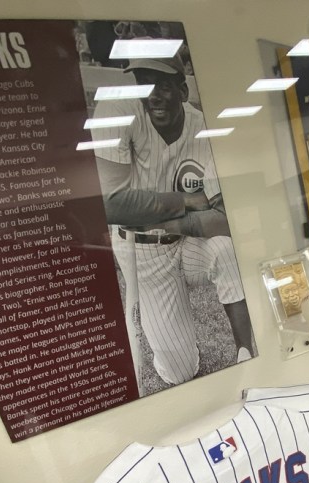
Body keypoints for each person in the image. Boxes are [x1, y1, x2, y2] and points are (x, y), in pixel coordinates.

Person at [90, 50, 254, 389]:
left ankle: (246, 352)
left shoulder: (201, 126)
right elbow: (111, 205)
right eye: (143, 83)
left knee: (226, 250)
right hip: (142, 249)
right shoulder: (118, 111)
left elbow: (228, 217)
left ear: (183, 90)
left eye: (162, 84)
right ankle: (173, 339)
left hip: (189, 239)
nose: (151, 94)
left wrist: (179, 223)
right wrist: (187, 201)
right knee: (179, 371)